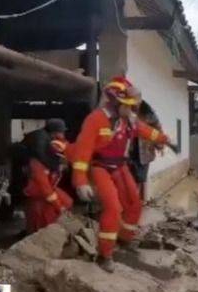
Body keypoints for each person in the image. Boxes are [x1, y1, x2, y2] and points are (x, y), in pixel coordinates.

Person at [70, 77, 170, 273]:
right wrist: (81, 181)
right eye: (128, 106)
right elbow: (82, 153)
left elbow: (146, 131)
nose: (132, 110)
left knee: (135, 202)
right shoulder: (96, 120)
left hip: (120, 166)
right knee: (113, 208)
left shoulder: (127, 120)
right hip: (100, 167)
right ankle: (104, 254)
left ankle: (125, 239)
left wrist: (166, 140)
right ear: (116, 103)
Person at [22, 119, 73, 233]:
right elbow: (45, 190)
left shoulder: (50, 158)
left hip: (47, 191)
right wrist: (59, 207)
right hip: (38, 196)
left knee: (68, 202)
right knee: (46, 218)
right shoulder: (38, 164)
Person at [128, 91, 163, 200]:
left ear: (140, 99)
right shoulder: (125, 108)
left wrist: (159, 143)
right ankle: (131, 202)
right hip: (128, 149)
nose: (133, 103)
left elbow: (157, 128)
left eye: (135, 100)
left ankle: (135, 202)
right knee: (128, 178)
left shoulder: (147, 111)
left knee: (140, 178)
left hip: (144, 150)